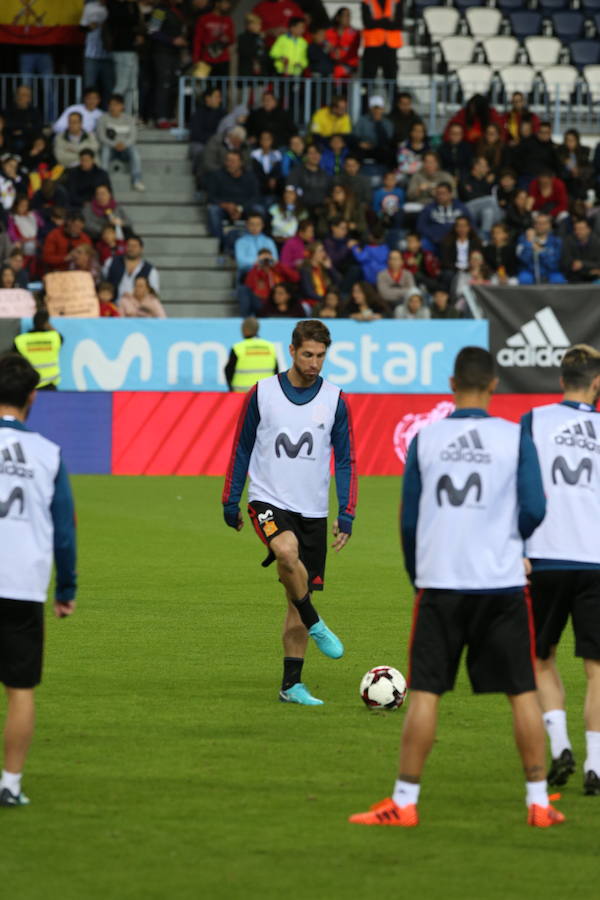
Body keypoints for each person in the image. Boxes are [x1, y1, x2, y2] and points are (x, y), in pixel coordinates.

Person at [349, 346, 564, 829]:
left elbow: (408, 521)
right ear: (493, 385)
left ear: (451, 384)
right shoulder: (515, 437)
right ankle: (537, 802)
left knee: (426, 693)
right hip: (501, 585)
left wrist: (417, 574)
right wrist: (507, 541)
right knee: (522, 693)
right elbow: (535, 508)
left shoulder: (426, 438)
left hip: (441, 584)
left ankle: (404, 803)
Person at [222, 319, 357, 705]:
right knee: (285, 552)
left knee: (294, 599)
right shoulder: (262, 393)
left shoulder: (335, 399)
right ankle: (316, 622)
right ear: (293, 351)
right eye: (308, 355)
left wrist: (346, 512)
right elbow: (242, 447)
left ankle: (291, 685)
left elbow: (346, 460)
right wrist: (231, 499)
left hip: (312, 509)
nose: (315, 363)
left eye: (321, 356)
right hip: (268, 500)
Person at [0, 352, 76, 807]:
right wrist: (66, 589)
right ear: (32, 397)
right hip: (22, 584)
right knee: (20, 690)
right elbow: (64, 530)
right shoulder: (48, 453)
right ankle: (9, 784)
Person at [523, 346, 600, 797]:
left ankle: (560, 746)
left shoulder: (534, 421)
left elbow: (520, 488)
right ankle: (596, 764)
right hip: (595, 559)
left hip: (544, 557)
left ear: (561, 380)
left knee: (540, 659)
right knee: (596, 667)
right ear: (596, 383)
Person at [148, 0, 188, 128]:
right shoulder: (160, 10)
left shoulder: (179, 11)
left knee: (174, 84)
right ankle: (160, 117)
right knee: (163, 84)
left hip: (175, 54)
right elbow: (153, 31)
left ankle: (170, 116)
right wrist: (172, 40)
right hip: (162, 53)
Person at [96, 93, 145, 191]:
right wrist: (114, 144)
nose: (113, 107)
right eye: (111, 105)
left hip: (125, 149)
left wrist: (124, 145)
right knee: (105, 149)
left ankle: (137, 180)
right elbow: (101, 136)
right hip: (110, 148)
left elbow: (133, 136)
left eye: (116, 104)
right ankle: (103, 182)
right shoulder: (103, 119)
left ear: (122, 106)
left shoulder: (129, 119)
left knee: (134, 151)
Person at [224, 317, 278, 392]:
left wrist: (230, 388)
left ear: (244, 329)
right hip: (265, 392)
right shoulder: (270, 347)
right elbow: (276, 371)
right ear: (257, 329)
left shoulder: (238, 348)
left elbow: (228, 370)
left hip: (241, 393)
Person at [13, 310, 62, 390]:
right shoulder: (55, 337)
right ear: (46, 323)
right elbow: (60, 338)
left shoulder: (20, 340)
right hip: (49, 386)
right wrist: (49, 327)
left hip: (29, 385)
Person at [416, 182, 471, 254]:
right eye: (438, 193)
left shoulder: (461, 207)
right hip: (434, 241)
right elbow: (421, 226)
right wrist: (433, 236)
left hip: (456, 240)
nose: (440, 196)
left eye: (443, 193)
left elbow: (470, 224)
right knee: (424, 243)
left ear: (450, 194)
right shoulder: (429, 208)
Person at [103, 234, 159, 298]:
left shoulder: (150, 270)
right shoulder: (111, 262)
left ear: (141, 249)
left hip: (138, 306)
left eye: (134, 246)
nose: (131, 248)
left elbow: (154, 293)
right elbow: (104, 282)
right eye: (128, 245)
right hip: (112, 305)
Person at [80, 2, 114, 108]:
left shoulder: (114, 7)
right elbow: (81, 27)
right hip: (91, 54)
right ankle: (87, 113)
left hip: (109, 55)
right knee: (89, 86)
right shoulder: (90, 6)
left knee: (109, 87)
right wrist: (92, 26)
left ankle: (107, 114)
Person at [516, 215, 566, 285]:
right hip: (530, 271)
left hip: (550, 272)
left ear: (549, 225)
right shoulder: (524, 239)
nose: (541, 226)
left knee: (558, 279)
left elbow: (553, 264)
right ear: (534, 225)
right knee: (524, 278)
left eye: (544, 223)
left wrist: (541, 251)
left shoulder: (556, 241)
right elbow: (523, 260)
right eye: (538, 223)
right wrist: (529, 243)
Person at [361, 0, 402, 81]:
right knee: (368, 76)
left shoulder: (396, 1)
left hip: (390, 45)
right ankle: (366, 93)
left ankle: (392, 93)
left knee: (391, 76)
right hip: (372, 44)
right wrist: (386, 21)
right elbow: (367, 23)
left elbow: (398, 23)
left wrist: (377, 22)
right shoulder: (367, 1)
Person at [192, 0, 235, 77]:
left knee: (222, 86)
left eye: (228, 4)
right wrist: (196, 59)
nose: (227, 6)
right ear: (217, 3)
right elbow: (197, 40)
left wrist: (228, 39)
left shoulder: (228, 20)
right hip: (206, 59)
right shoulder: (204, 19)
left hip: (223, 59)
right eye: (225, 3)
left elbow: (232, 39)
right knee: (207, 86)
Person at [325, 7, 360, 81]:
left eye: (349, 16)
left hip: (349, 66)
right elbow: (327, 48)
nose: (348, 18)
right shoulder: (329, 32)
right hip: (331, 65)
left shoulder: (355, 33)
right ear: (338, 18)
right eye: (345, 16)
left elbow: (353, 51)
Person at [561, 218, 600, 283]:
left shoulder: (597, 242)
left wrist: (583, 264)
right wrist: (589, 270)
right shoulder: (568, 241)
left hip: (594, 276)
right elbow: (566, 263)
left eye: (581, 229)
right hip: (574, 276)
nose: (578, 231)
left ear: (589, 229)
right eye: (576, 229)